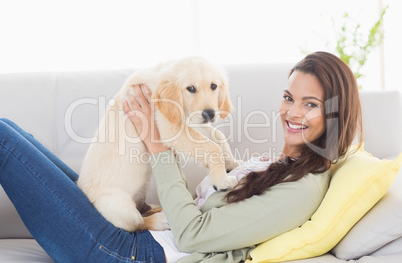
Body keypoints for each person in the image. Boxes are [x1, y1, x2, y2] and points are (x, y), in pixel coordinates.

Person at [0, 51, 363, 263]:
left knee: (3, 140)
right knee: (10, 130)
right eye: (288, 97)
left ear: (335, 114)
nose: (292, 112)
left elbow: (191, 237)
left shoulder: (302, 189)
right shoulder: (280, 166)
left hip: (126, 251)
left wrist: (157, 143)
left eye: (310, 104)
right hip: (125, 230)